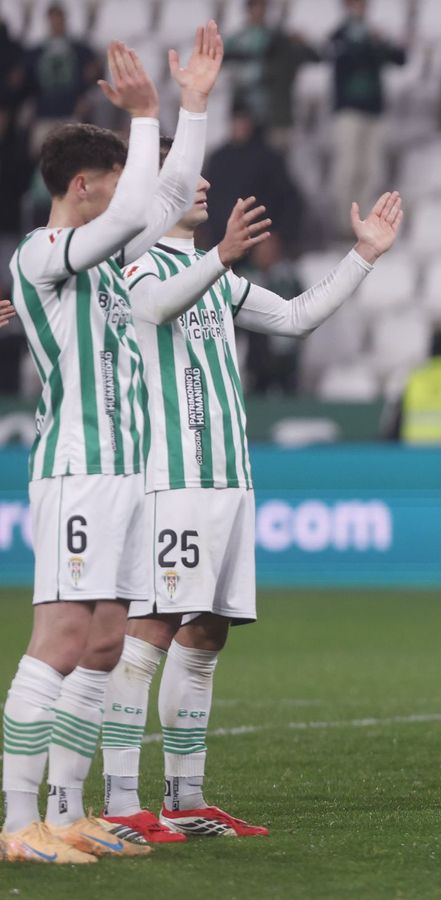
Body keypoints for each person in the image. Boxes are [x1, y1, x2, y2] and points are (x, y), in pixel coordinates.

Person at [99, 166, 402, 842]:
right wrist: (221, 256)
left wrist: (363, 257)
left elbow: (294, 319)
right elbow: (153, 311)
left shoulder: (210, 271)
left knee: (207, 631)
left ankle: (184, 798)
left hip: (227, 477)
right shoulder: (135, 262)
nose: (202, 182)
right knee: (152, 626)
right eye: (185, 175)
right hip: (172, 476)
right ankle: (120, 803)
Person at [1, 28, 217, 864]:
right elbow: (140, 208)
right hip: (78, 472)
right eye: (118, 177)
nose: (133, 195)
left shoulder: (105, 250)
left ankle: (68, 807)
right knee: (58, 639)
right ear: (83, 187)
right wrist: (148, 114)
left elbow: (154, 207)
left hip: (125, 472)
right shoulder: (45, 252)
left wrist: (191, 105)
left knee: (102, 641)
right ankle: (19, 824)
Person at [328, 0, 406, 236]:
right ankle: (342, 222)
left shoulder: (374, 35)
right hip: (348, 111)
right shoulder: (340, 34)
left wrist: (378, 42)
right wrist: (366, 43)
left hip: (373, 111)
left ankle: (363, 221)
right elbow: (342, 59)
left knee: (372, 169)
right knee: (347, 167)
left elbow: (400, 58)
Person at [199, 106, 303, 252]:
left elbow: (289, 201)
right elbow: (206, 200)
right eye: (236, 120)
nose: (240, 126)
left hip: (260, 242)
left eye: (244, 120)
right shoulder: (218, 159)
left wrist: (278, 236)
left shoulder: (269, 158)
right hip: (219, 242)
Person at [224, 0, 319, 150]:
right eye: (254, 7)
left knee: (274, 159)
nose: (259, 12)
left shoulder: (279, 38)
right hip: (245, 112)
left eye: (262, 7)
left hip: (274, 114)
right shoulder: (237, 39)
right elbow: (227, 63)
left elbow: (314, 56)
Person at [22, 3, 97, 155]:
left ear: (65, 20)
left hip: (71, 110)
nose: (56, 24)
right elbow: (26, 80)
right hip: (44, 112)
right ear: (48, 21)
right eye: (53, 20)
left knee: (72, 154)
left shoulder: (80, 49)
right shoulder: (36, 51)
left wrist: (84, 96)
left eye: (59, 20)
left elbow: (93, 74)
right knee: (41, 152)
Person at [236, 234, 305, 394]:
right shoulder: (243, 279)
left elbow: (302, 307)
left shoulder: (288, 278)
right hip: (256, 354)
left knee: (291, 396)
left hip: (286, 353)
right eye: (261, 249)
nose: (265, 253)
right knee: (256, 397)